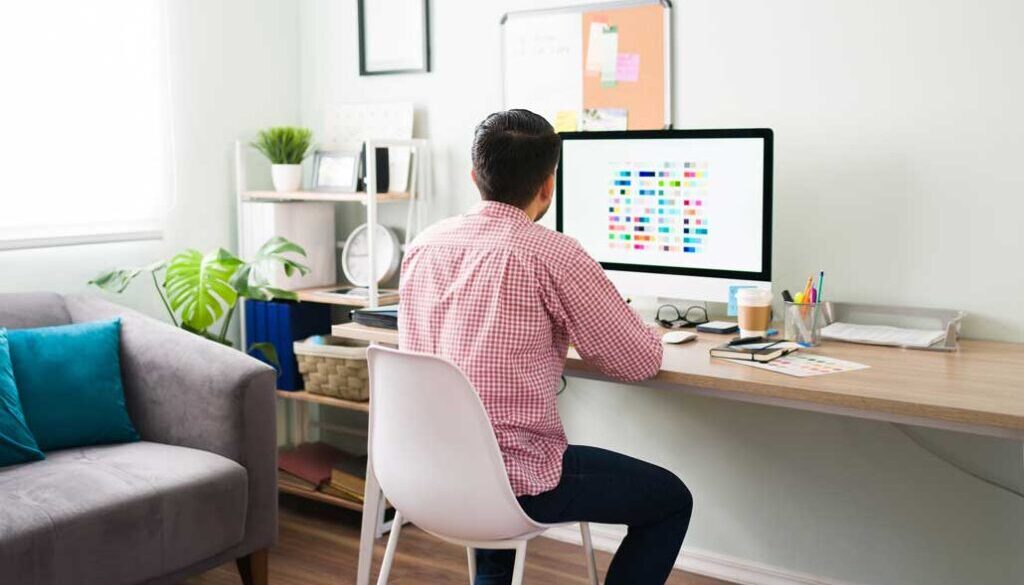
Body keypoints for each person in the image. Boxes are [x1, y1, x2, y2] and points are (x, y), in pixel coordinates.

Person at [399, 109, 693, 585]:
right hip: (514, 481)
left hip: (429, 470)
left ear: (475, 176)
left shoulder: (423, 245)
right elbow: (638, 362)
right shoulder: (552, 253)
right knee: (671, 501)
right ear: (547, 186)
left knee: (493, 475)